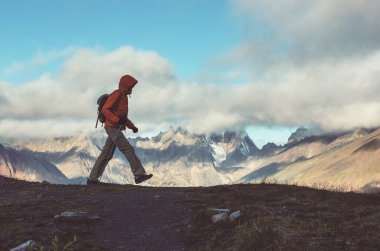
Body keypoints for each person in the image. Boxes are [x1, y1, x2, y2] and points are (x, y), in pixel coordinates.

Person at [87, 75, 153, 185]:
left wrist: (132, 126)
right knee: (128, 149)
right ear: (125, 85)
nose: (131, 89)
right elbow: (105, 110)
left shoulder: (124, 97)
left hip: (115, 127)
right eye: (130, 87)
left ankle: (92, 179)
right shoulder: (117, 94)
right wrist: (116, 120)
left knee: (105, 155)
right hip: (112, 127)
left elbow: (123, 118)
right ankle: (139, 174)